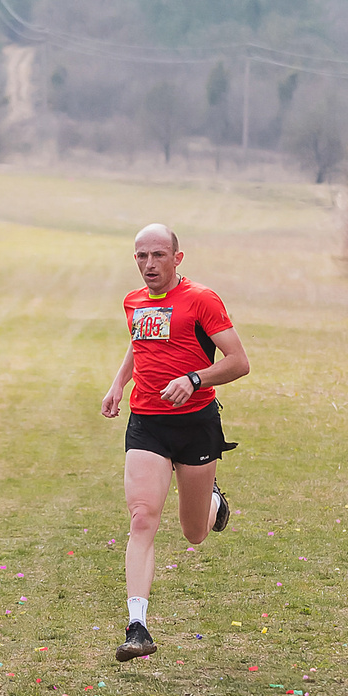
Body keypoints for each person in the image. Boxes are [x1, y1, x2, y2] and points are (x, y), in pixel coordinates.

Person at [98, 223, 250, 663]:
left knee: (193, 532)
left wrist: (194, 378)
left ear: (177, 258)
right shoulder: (133, 302)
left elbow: (239, 362)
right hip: (147, 423)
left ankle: (214, 506)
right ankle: (137, 626)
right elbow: (140, 342)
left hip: (196, 424)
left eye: (158, 255)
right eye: (141, 256)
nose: (149, 264)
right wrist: (118, 384)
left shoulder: (201, 300)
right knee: (143, 518)